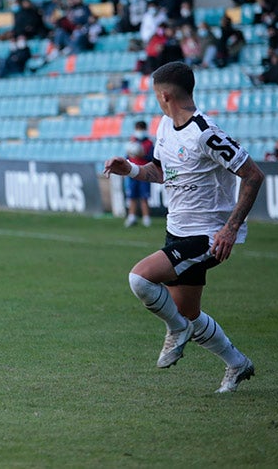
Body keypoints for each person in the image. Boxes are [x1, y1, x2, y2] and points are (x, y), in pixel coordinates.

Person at [103, 61, 265, 393]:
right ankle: (237, 364)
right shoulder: (164, 126)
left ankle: (176, 331)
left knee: (140, 278)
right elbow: (162, 173)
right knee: (188, 312)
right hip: (177, 230)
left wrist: (230, 229)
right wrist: (131, 170)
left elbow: (253, 175)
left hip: (208, 235)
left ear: (164, 95)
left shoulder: (206, 132)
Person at [123, 120, 154, 228]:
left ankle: (146, 218)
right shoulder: (132, 142)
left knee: (144, 196)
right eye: (138, 129)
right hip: (132, 172)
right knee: (132, 196)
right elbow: (127, 158)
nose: (139, 131)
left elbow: (152, 158)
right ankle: (131, 217)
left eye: (140, 129)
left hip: (144, 172)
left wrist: (142, 155)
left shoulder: (149, 143)